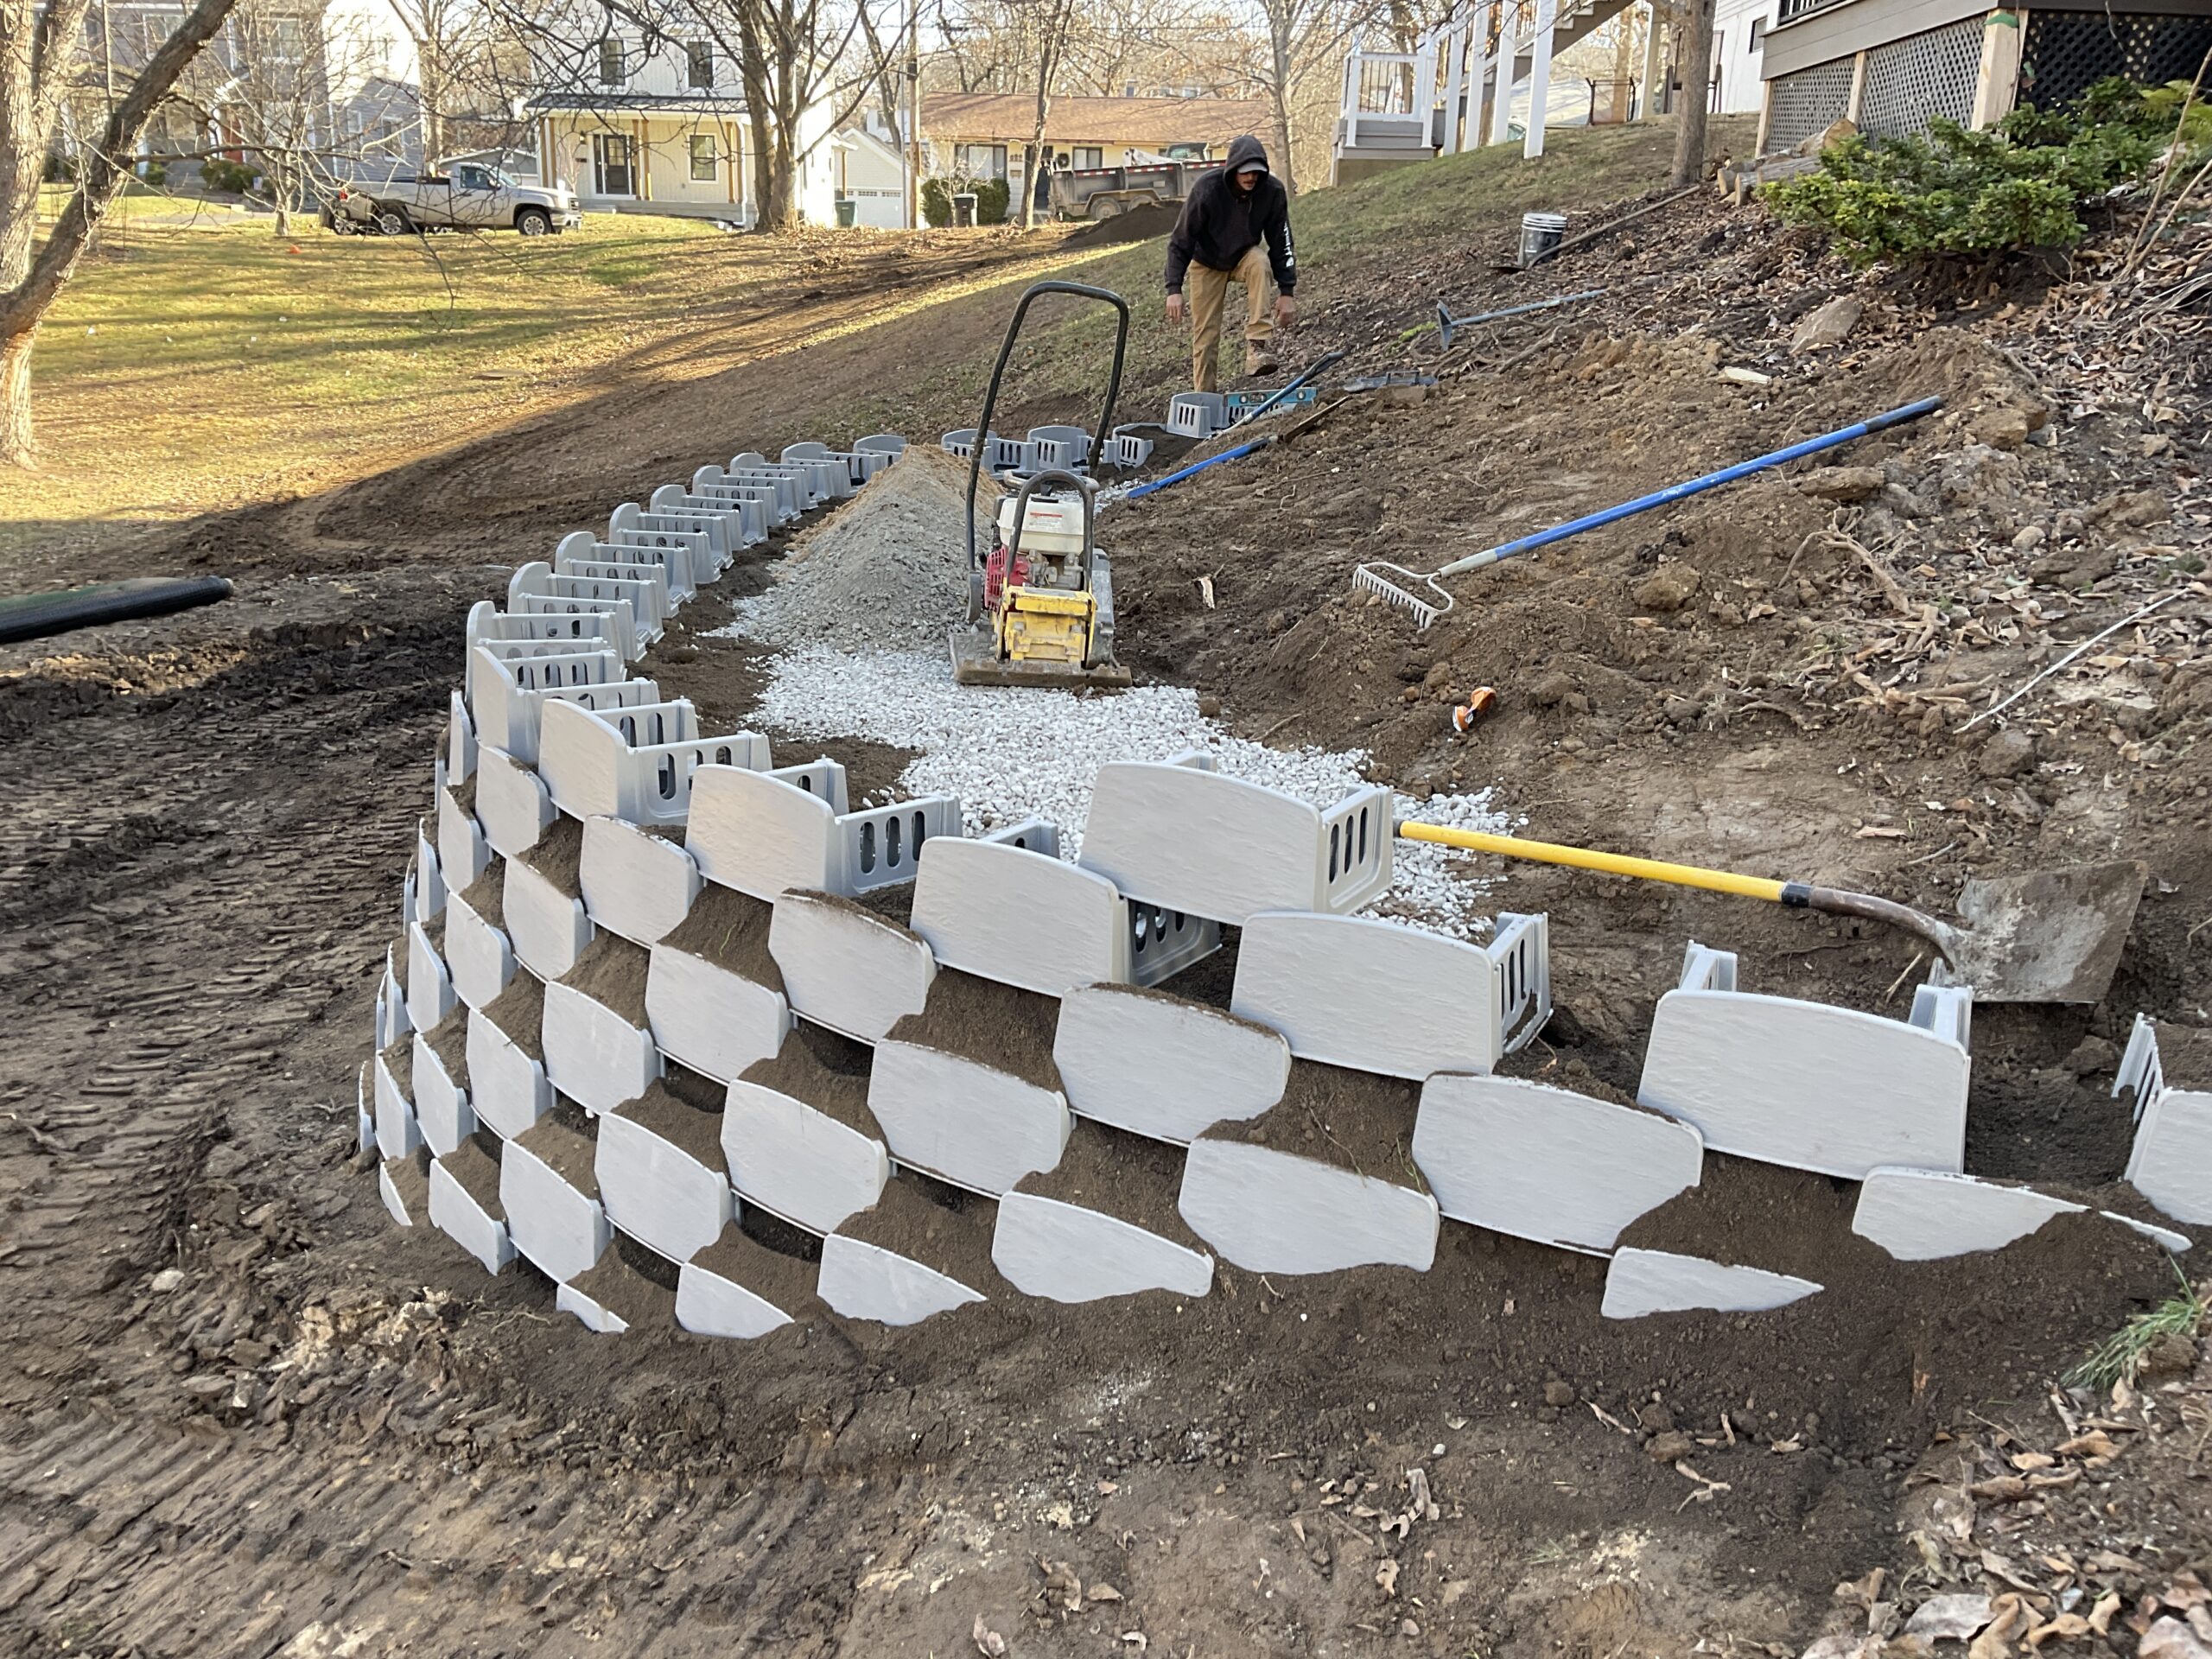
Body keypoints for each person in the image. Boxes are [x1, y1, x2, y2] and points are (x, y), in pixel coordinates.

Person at [1162, 134, 1297, 391]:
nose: (1251, 178)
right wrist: (1174, 289)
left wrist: (1287, 291)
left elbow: (1282, 241)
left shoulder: (1272, 192)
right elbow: (1180, 240)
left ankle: (1256, 347)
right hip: (1206, 263)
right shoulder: (1207, 189)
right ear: (1232, 169)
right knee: (1206, 336)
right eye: (1245, 172)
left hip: (1243, 256)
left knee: (1260, 261)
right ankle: (1205, 397)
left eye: (1256, 173)